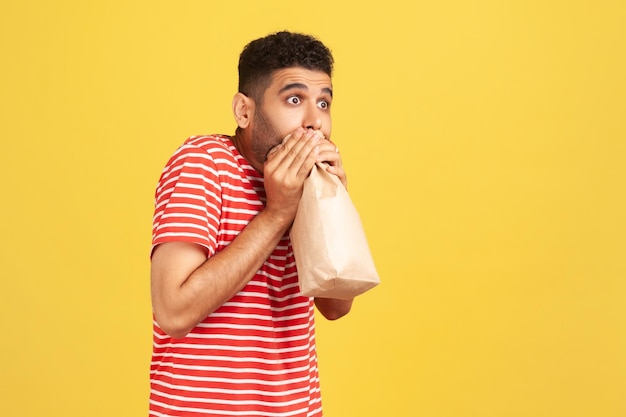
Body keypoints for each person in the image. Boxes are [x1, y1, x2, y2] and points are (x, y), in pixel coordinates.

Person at [148, 31, 354, 417]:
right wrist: (277, 214)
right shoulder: (203, 164)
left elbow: (336, 306)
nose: (315, 123)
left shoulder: (310, 184)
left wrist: (333, 209)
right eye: (295, 100)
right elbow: (173, 313)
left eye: (323, 103)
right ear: (244, 111)